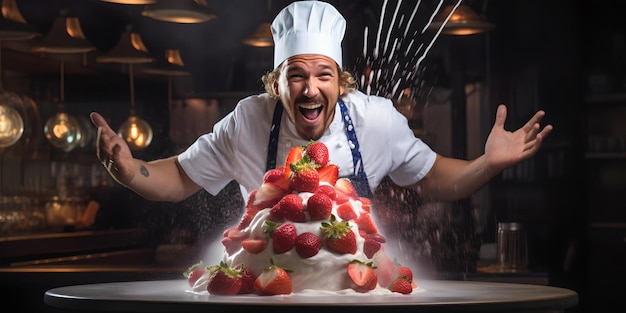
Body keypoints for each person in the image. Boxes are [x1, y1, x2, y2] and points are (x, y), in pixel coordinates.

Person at [90, 1, 552, 207]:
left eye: (323, 75)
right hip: (266, 294)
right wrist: (134, 173)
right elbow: (178, 178)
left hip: (357, 297)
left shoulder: (376, 119)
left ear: (341, 81)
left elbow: (434, 179)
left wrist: (487, 165)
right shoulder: (248, 121)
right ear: (276, 83)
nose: (310, 89)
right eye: (296, 75)